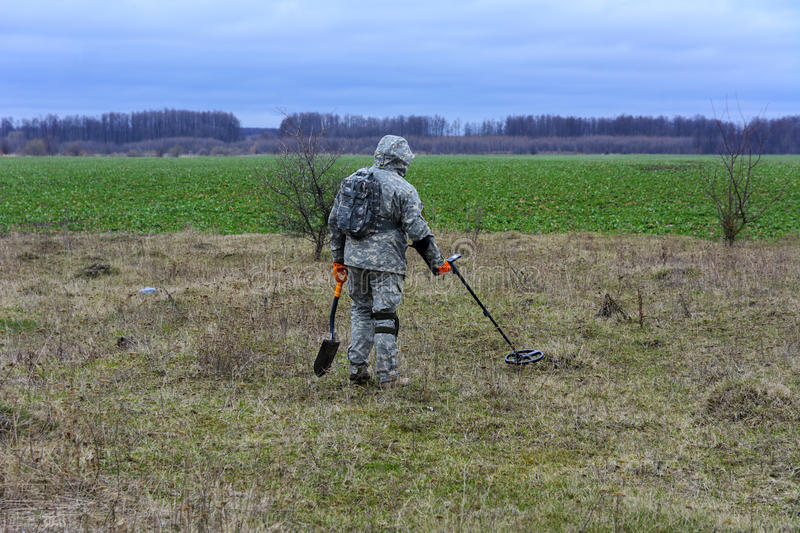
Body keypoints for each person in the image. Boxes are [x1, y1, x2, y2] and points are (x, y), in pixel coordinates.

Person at [328, 135, 451, 388]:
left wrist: (338, 259)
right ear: (402, 160)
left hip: (354, 262)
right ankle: (388, 377)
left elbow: (335, 222)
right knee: (384, 316)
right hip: (386, 264)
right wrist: (437, 263)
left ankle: (358, 369)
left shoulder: (353, 180)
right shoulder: (404, 189)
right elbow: (417, 230)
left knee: (361, 311)